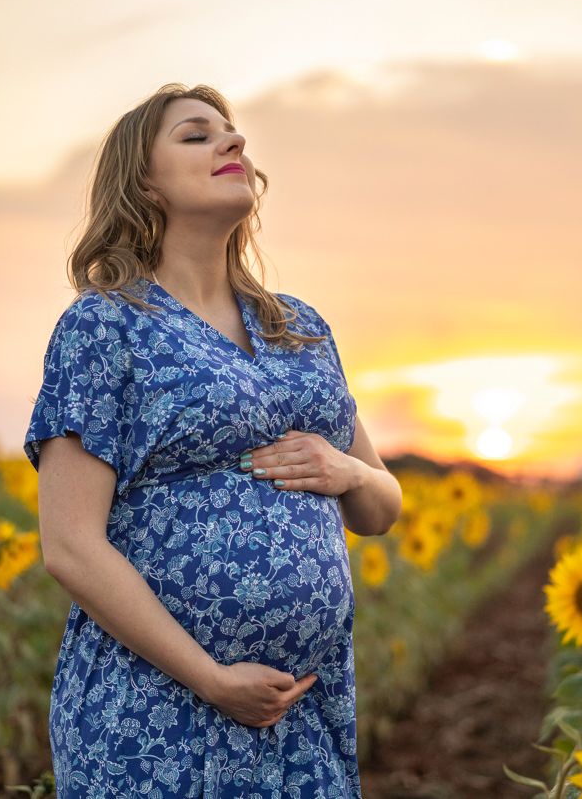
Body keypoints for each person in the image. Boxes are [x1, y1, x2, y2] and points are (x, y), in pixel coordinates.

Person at [23, 83, 403, 797]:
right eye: (197, 136)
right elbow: (70, 544)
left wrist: (346, 471)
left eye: (234, 135)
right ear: (144, 182)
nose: (233, 143)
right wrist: (213, 679)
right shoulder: (106, 328)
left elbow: (383, 506)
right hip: (156, 709)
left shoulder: (301, 329)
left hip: (300, 714)